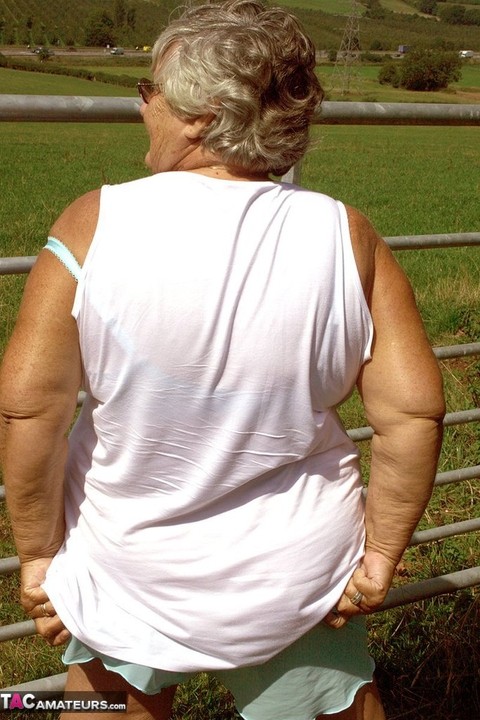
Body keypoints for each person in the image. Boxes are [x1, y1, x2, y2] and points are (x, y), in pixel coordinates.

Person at [0, 2, 445, 719]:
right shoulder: (346, 236)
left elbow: (29, 408)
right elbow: (415, 413)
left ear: (199, 116)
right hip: (300, 581)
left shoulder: (91, 225)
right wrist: (378, 561)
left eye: (148, 92)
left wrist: (40, 559)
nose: (140, 105)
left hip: (126, 572)